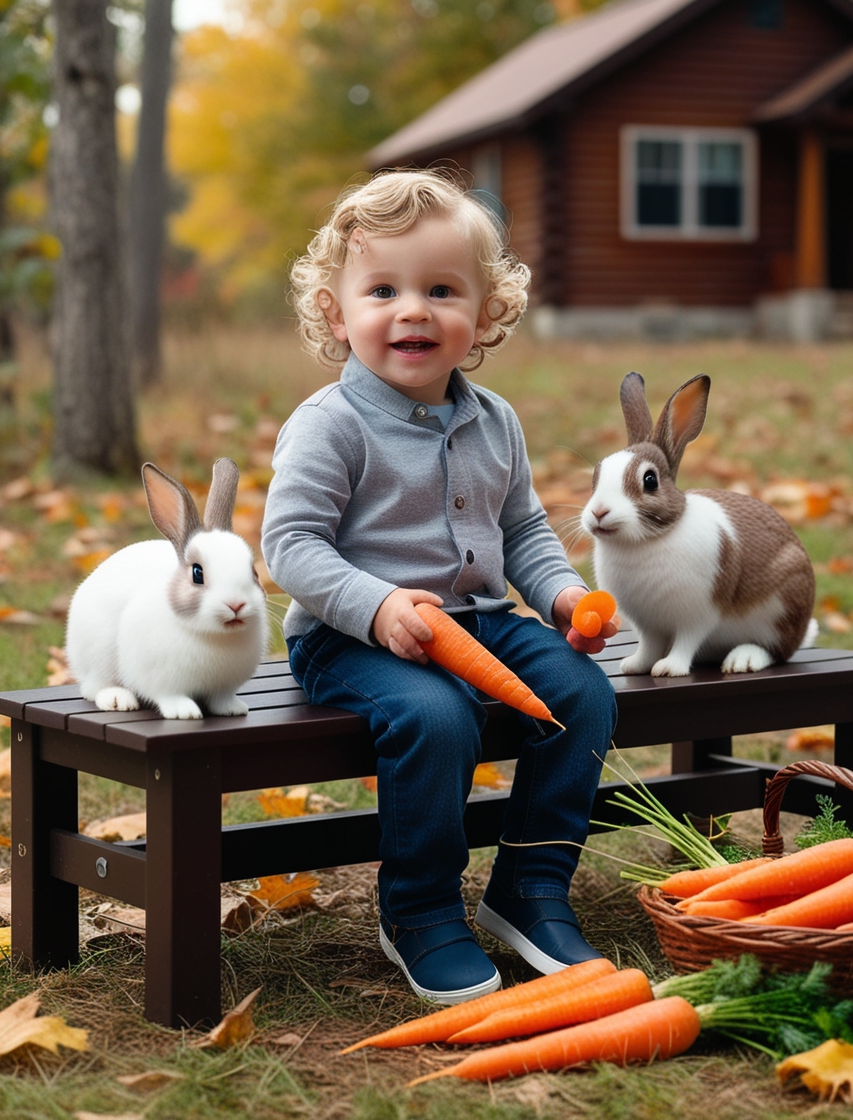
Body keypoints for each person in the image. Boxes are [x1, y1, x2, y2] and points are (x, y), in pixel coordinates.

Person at [261, 168, 618, 1004]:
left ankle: (531, 887)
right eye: (383, 290)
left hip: (481, 622)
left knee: (583, 694)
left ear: (484, 313)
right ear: (337, 313)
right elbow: (291, 547)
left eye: (442, 290)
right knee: (438, 715)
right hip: (351, 640)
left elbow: (522, 530)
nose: (413, 311)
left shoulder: (496, 420)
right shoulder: (330, 426)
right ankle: (419, 909)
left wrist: (563, 598)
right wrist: (379, 606)